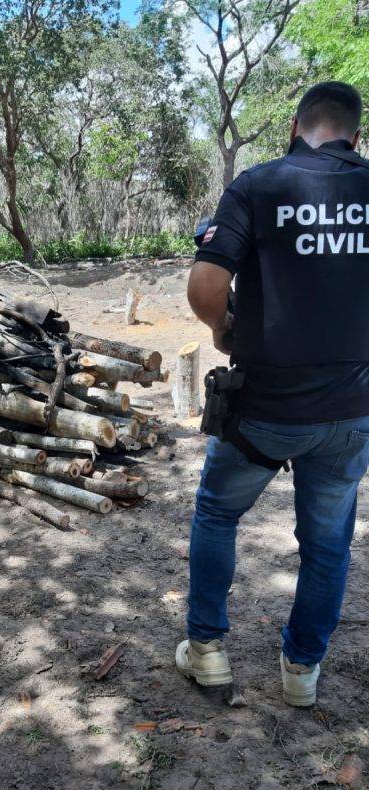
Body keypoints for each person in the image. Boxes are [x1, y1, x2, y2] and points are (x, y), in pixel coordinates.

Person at [176, 81, 369, 707]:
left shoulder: (258, 186)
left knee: (217, 514)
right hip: (350, 414)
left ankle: (206, 650)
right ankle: (302, 670)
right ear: (356, 136)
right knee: (328, 544)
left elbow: (205, 287)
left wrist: (223, 330)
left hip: (262, 408)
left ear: (294, 127)